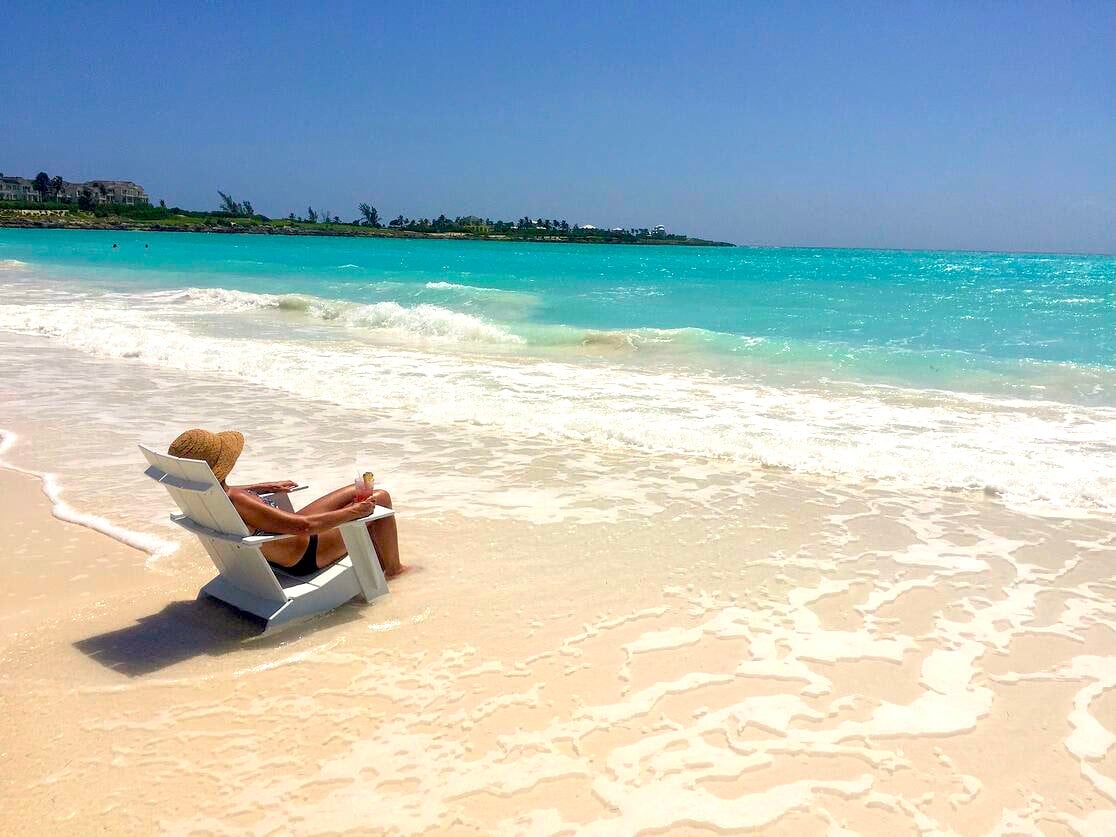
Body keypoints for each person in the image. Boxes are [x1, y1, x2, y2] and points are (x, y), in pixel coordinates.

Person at [167, 429, 403, 577]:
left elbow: (230, 493)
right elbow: (305, 526)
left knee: (357, 488)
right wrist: (353, 512)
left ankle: (379, 555)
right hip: (305, 554)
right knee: (378, 498)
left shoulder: (202, 494)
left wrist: (260, 487)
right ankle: (394, 570)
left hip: (277, 553)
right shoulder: (236, 500)